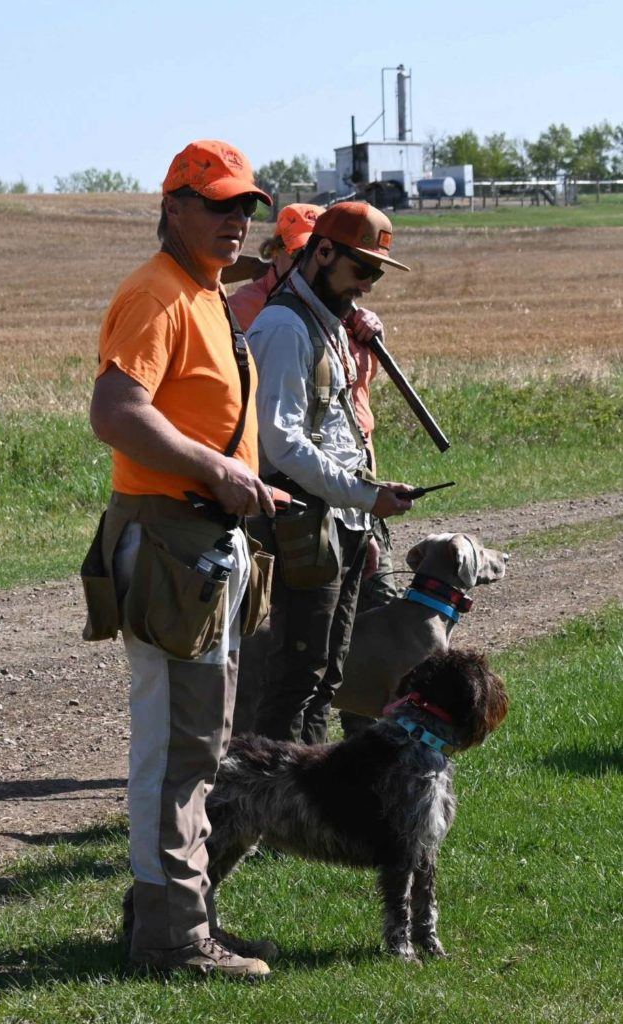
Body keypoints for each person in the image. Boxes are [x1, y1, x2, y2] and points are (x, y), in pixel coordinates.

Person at [84, 139, 278, 979]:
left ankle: (185, 922)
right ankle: (168, 940)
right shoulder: (157, 294)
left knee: (200, 744)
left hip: (197, 542)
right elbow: (116, 414)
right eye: (219, 204)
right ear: (173, 206)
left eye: (245, 207)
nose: (236, 219)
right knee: (171, 748)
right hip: (169, 540)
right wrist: (218, 469)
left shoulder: (200, 292)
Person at [246, 201, 415, 744]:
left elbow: (339, 429)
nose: (367, 284)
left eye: (377, 273)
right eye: (361, 269)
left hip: (337, 522)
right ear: (322, 252)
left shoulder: (331, 325)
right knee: (297, 678)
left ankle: (306, 804)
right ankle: (264, 801)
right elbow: (282, 444)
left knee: (326, 679)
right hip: (304, 522)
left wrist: (362, 512)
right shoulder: (283, 327)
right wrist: (365, 496)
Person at [228, 203, 324, 330]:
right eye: (300, 254)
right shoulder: (242, 307)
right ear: (275, 252)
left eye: (322, 254)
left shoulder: (335, 302)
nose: (312, 265)